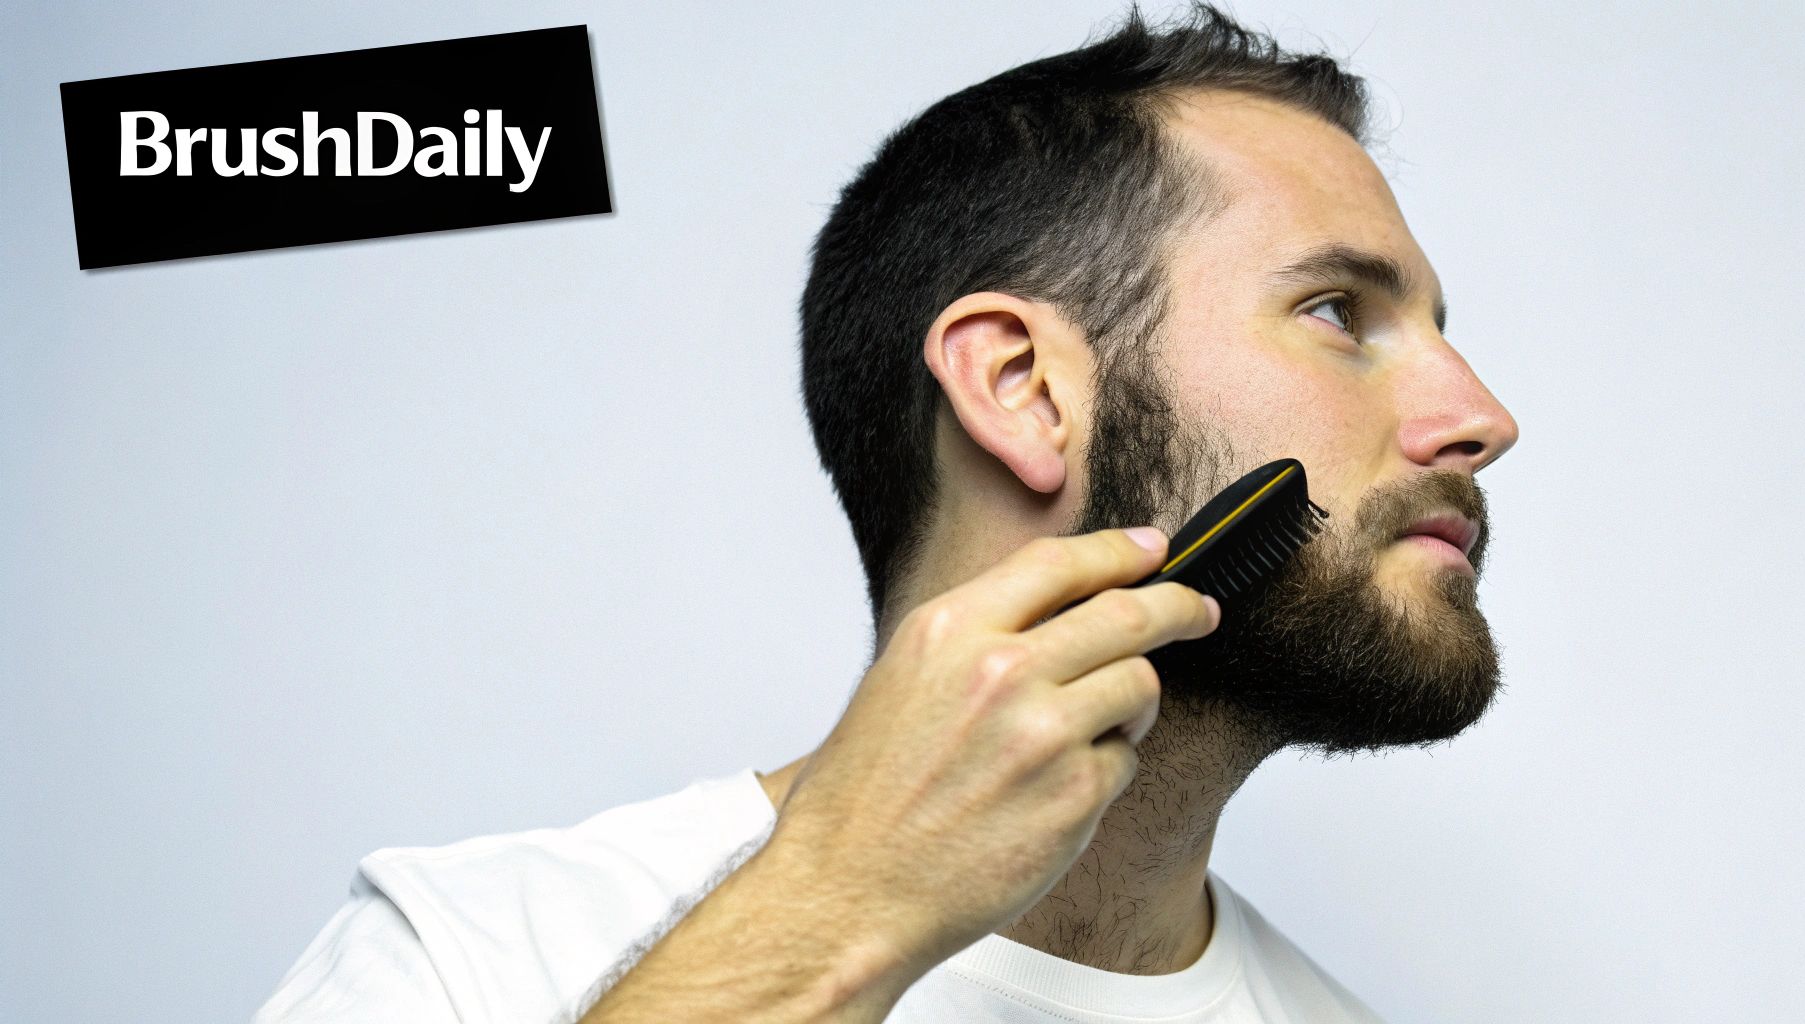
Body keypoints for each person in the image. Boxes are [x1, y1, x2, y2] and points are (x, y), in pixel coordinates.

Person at [254, 3, 1520, 1021]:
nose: (1479, 416)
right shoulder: (472, 957)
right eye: (1335, 313)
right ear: (1023, 389)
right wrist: (840, 910)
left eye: (1438, 334)